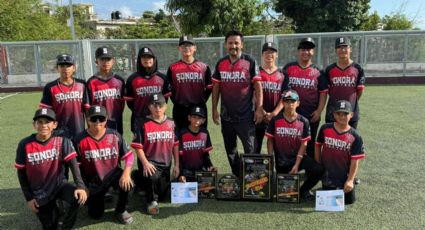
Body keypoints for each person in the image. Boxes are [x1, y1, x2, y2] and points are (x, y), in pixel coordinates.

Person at [15, 108, 87, 230]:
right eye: (40, 122)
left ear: (55, 125)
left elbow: (73, 165)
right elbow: (21, 173)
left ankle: (66, 226)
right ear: (34, 125)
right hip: (39, 191)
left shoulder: (62, 140)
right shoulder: (24, 145)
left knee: (77, 198)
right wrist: (29, 198)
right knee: (50, 226)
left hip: (59, 185)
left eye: (48, 122)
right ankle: (55, 210)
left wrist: (80, 187)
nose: (44, 125)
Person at [211, 30, 263, 177]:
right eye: (230, 43)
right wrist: (214, 109)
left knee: (250, 149)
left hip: (246, 115)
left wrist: (259, 108)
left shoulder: (250, 61)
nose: (233, 45)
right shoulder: (221, 63)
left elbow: (258, 86)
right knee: (230, 149)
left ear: (242, 45)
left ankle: (252, 177)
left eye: (236, 43)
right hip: (227, 115)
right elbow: (216, 87)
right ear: (226, 45)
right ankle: (239, 175)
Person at [73, 105, 134, 224]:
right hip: (93, 181)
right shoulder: (78, 140)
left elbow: (129, 156)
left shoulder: (114, 135)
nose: (97, 122)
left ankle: (121, 210)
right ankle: (98, 197)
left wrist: (126, 173)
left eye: (101, 119)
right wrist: (82, 186)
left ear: (106, 119)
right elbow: (76, 167)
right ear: (87, 119)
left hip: (113, 175)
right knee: (95, 215)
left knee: (129, 185)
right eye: (93, 119)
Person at [266, 90, 324, 200]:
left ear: (298, 103)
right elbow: (270, 140)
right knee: (282, 190)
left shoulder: (304, 121)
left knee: (318, 169)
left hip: (298, 158)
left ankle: (303, 191)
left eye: (293, 101)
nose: (290, 104)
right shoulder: (275, 120)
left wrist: (297, 164)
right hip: (281, 161)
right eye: (287, 102)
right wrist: (270, 158)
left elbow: (304, 143)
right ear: (283, 103)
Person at [131, 93, 179, 215]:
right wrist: (145, 163)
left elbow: (175, 144)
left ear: (165, 107)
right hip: (150, 163)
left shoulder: (172, 123)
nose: (157, 108)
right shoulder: (142, 123)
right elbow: (138, 147)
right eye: (154, 105)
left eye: (160, 105)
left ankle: (137, 177)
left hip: (166, 164)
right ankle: (150, 200)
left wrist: (177, 165)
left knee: (163, 196)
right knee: (152, 183)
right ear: (149, 107)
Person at [284, 38, 328, 157]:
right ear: (298, 52)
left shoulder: (318, 71)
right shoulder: (288, 68)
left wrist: (319, 111)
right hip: (291, 113)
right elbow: (283, 90)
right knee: (290, 141)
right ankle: (289, 169)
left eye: (309, 50)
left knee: (310, 143)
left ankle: (310, 171)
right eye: (303, 49)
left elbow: (323, 93)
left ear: (313, 52)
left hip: (311, 114)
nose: (306, 52)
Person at [315, 100, 365, 204]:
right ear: (334, 114)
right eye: (338, 113)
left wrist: (350, 180)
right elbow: (317, 145)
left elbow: (355, 160)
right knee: (328, 198)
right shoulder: (325, 128)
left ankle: (352, 181)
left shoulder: (355, 136)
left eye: (345, 114)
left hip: (344, 175)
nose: (342, 117)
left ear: (351, 115)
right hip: (328, 175)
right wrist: (319, 165)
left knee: (349, 201)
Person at [167, 35, 213, 132]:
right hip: (180, 109)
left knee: (200, 138)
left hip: (198, 109)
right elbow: (169, 88)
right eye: (183, 45)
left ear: (195, 48)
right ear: (179, 48)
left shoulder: (203, 67)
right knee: (180, 138)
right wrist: (176, 101)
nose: (186, 48)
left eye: (189, 45)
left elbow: (209, 87)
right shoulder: (173, 68)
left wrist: (202, 101)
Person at [40, 54, 89, 138]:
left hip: (79, 129)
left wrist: (89, 129)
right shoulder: (50, 87)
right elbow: (46, 112)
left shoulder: (82, 84)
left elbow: (87, 109)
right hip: (58, 131)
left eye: (68, 65)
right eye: (62, 65)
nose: (65, 69)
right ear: (57, 68)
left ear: (74, 68)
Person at [125, 47, 171, 134]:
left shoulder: (162, 78)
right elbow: (130, 103)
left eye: (149, 57)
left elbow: (165, 100)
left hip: (158, 118)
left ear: (154, 59)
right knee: (139, 146)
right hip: (138, 118)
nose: (147, 60)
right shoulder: (132, 79)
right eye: (144, 57)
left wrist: (156, 111)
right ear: (139, 60)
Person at [255, 42, 289, 153]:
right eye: (266, 52)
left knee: (277, 146)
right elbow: (252, 94)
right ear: (262, 55)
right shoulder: (257, 72)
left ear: (277, 54)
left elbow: (285, 95)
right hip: (259, 114)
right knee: (255, 145)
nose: (269, 55)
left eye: (272, 52)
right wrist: (262, 111)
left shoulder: (283, 74)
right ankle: (254, 168)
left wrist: (274, 113)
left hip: (277, 115)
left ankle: (275, 166)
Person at [324, 37, 365, 129]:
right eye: (339, 47)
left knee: (350, 140)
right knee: (331, 140)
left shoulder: (358, 68)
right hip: (333, 112)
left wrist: (351, 102)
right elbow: (327, 91)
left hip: (351, 112)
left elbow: (359, 91)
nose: (342, 50)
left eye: (345, 47)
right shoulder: (329, 69)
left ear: (350, 49)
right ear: (336, 50)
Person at [86, 47, 126, 135]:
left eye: (108, 59)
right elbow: (88, 108)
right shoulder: (91, 82)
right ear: (96, 61)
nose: (106, 62)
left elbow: (123, 103)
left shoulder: (119, 81)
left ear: (113, 61)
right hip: (97, 122)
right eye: (102, 59)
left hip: (116, 120)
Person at [178, 106, 216, 182]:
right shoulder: (182, 133)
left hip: (201, 172)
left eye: (199, 118)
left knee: (207, 192)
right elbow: (180, 157)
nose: (196, 120)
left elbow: (205, 154)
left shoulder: (205, 133)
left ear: (203, 120)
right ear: (189, 118)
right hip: (186, 173)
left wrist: (210, 166)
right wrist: (181, 174)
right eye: (194, 117)